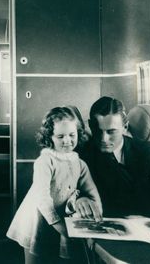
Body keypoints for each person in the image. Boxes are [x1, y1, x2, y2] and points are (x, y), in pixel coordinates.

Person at [7, 106, 102, 263]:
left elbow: (92, 192)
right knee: (36, 257)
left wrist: (97, 225)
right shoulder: (45, 161)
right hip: (38, 217)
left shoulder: (80, 163)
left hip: (62, 217)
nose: (67, 140)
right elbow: (42, 199)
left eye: (72, 135)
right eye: (60, 136)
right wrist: (62, 228)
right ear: (49, 137)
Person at [76, 96, 150, 218]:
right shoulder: (81, 157)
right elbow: (70, 192)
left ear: (125, 127)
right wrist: (79, 200)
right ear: (91, 126)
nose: (104, 139)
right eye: (98, 130)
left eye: (111, 131)